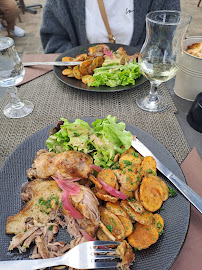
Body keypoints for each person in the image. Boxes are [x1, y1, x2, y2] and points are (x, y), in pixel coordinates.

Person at [40, 0, 180, 54]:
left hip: (142, 82)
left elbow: (164, 43)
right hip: (79, 87)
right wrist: (86, 61)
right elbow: (54, 42)